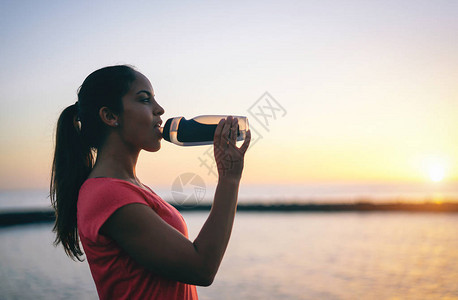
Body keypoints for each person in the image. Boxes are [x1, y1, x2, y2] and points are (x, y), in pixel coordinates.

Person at [50, 65, 251, 300]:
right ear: (110, 116)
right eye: (145, 100)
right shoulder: (108, 194)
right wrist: (229, 179)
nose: (160, 109)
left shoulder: (130, 187)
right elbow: (202, 268)